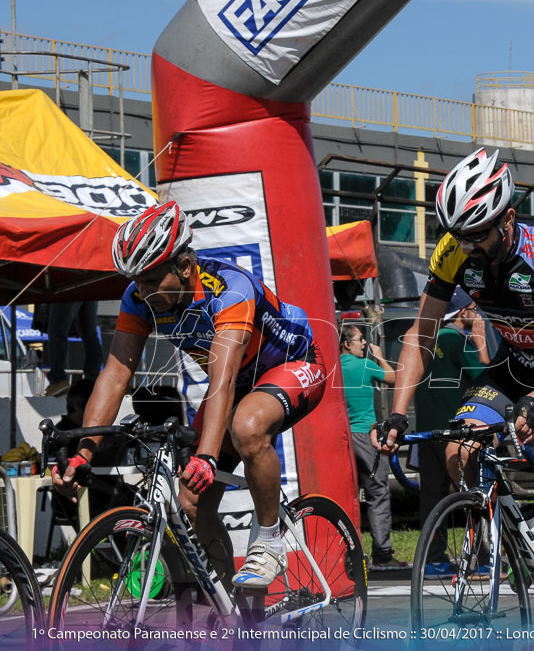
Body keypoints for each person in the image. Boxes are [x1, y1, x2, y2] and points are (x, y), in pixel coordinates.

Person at [374, 147, 534, 623]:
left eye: (476, 235)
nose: (466, 246)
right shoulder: (453, 251)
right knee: (458, 452)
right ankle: (531, 533)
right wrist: (398, 411)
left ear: (507, 219)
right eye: (457, 236)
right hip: (513, 367)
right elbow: (419, 336)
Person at [51, 201, 327, 589]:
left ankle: (268, 543)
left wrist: (207, 456)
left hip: (295, 364)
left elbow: (223, 380)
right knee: (191, 501)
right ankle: (234, 608)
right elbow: (115, 375)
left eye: (150, 279)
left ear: (184, 265)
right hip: (239, 382)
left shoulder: (231, 290)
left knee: (246, 427)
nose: (142, 292)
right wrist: (85, 451)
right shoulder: (139, 298)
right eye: (136, 281)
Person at [412, 287, 489, 576]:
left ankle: (433, 559)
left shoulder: (429, 339)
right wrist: (481, 343)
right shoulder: (460, 340)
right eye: (473, 308)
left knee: (432, 496)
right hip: (456, 432)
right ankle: (481, 559)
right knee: (472, 493)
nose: (477, 313)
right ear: (463, 313)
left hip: (426, 431)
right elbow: (485, 377)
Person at [339, 323, 407, 571]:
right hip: (367, 437)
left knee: (348, 497)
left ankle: (348, 555)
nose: (365, 343)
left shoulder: (333, 368)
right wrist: (379, 357)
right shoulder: (365, 365)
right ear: (347, 344)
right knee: (378, 493)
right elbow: (396, 378)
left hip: (342, 439)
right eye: (360, 340)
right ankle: (382, 552)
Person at [44, 301, 103, 397]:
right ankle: (92, 381)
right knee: (90, 333)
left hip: (68, 288)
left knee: (57, 332)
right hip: (91, 288)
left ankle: (58, 380)